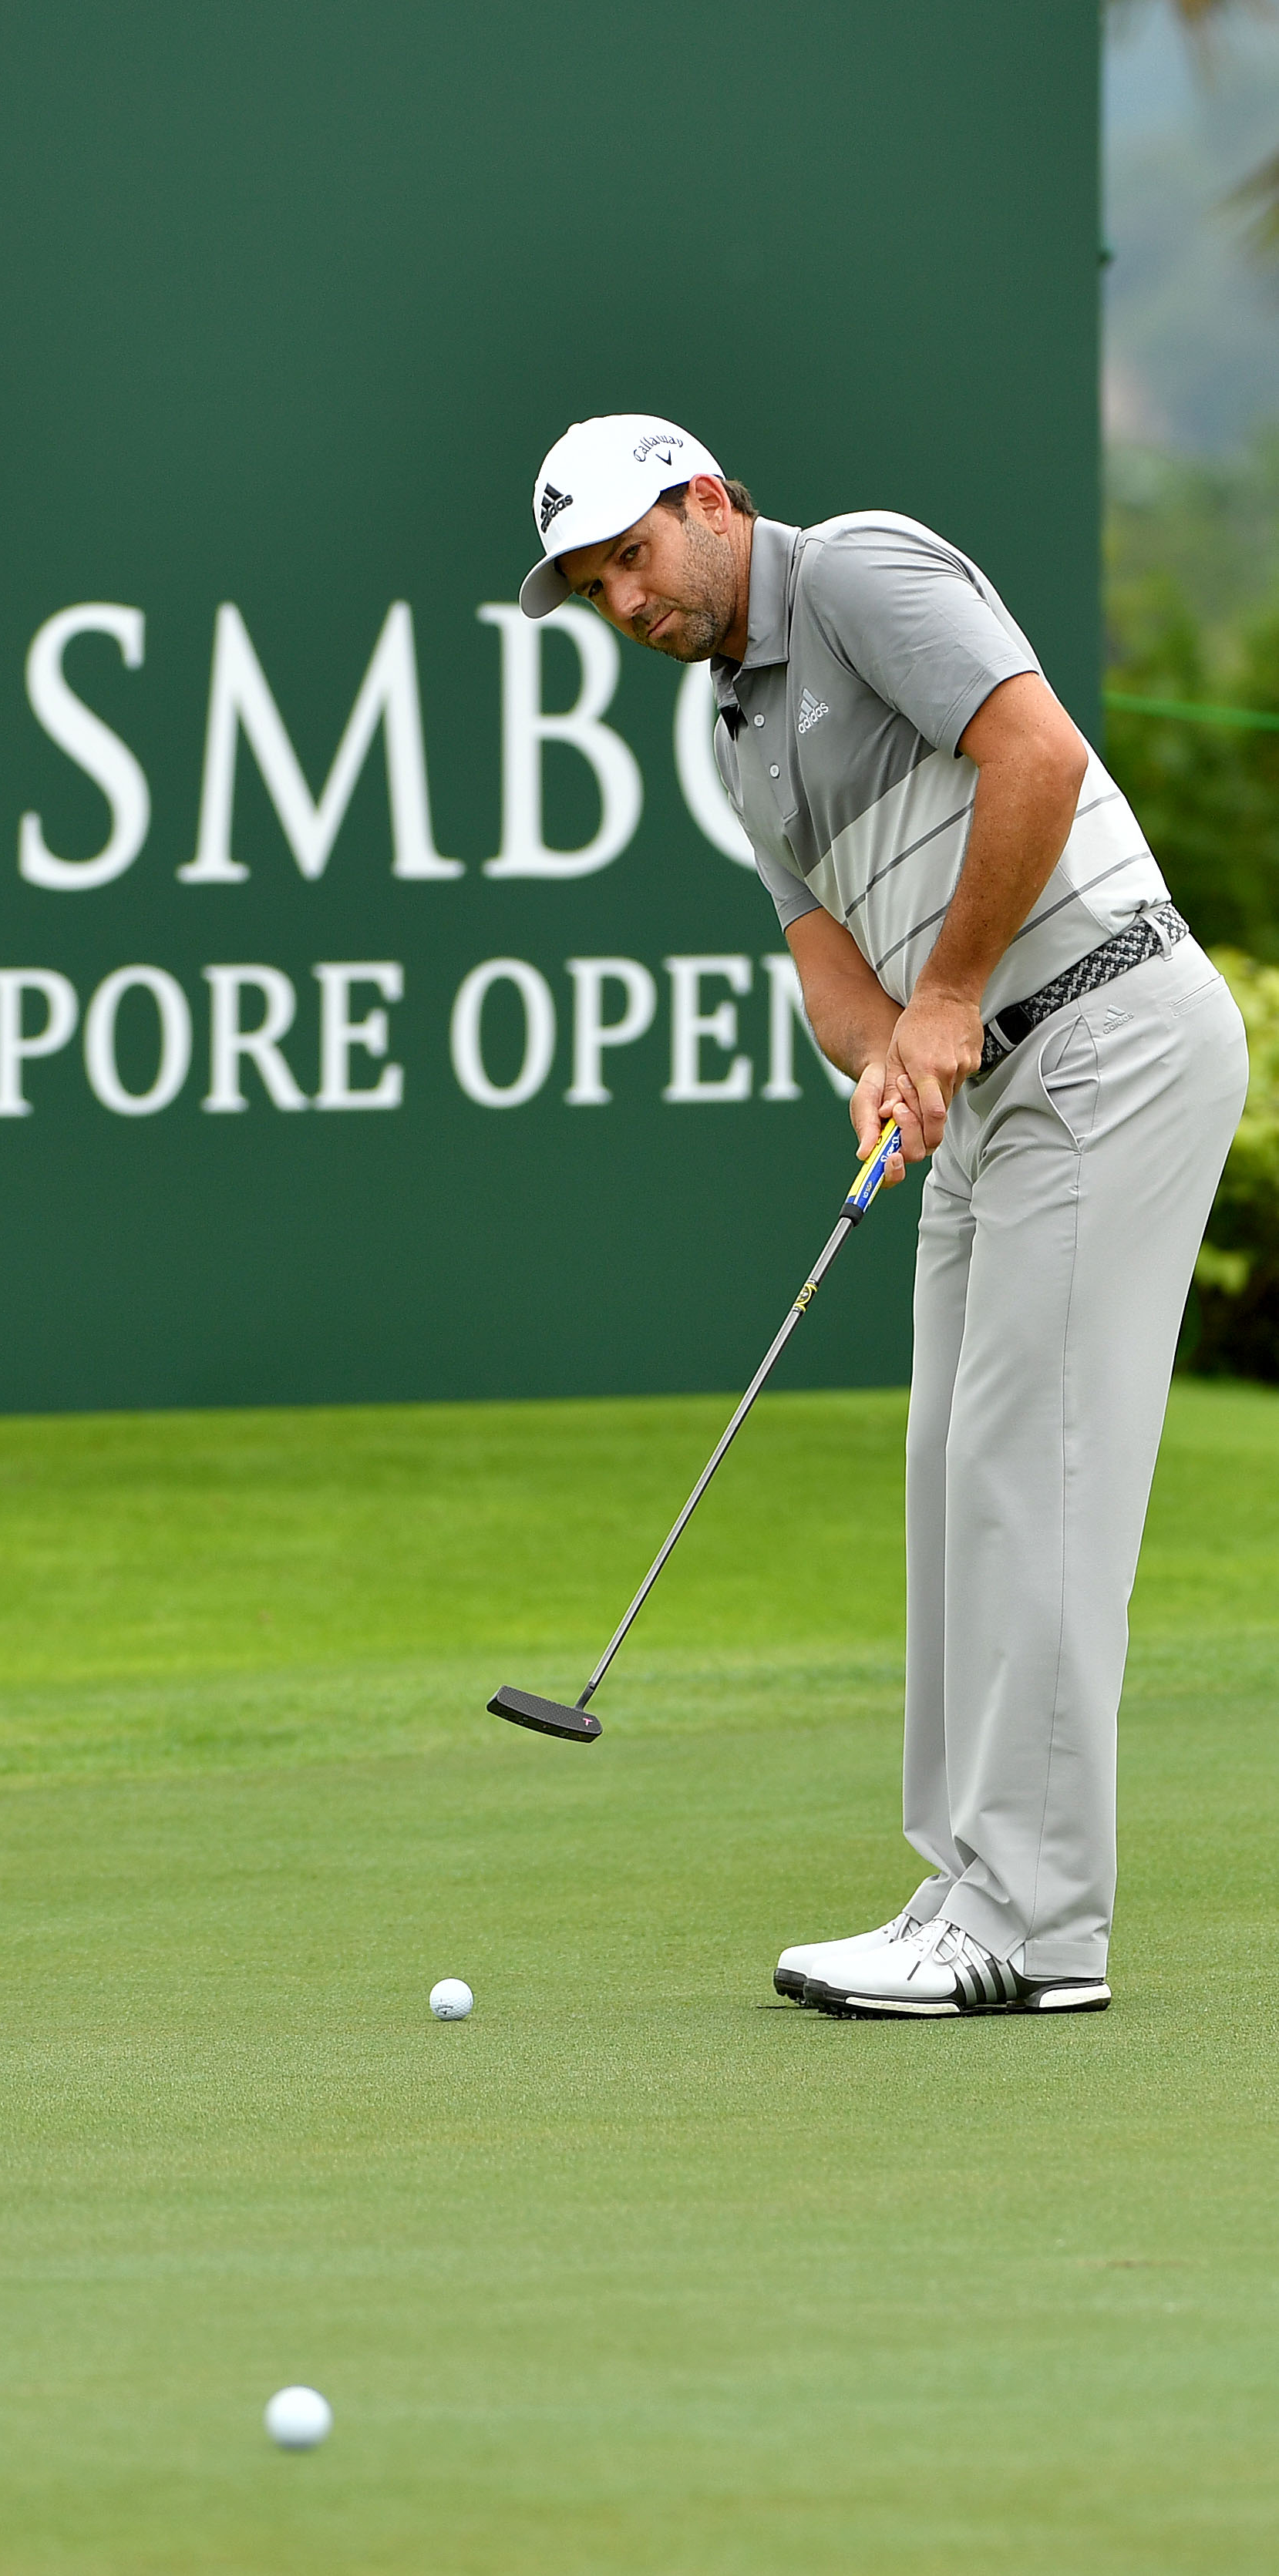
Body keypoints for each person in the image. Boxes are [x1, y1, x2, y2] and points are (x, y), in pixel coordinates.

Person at [519, 415, 1248, 2018]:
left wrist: (952, 993)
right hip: (995, 1085)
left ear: (708, 501)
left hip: (1107, 1034)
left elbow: (1036, 755)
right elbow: (834, 976)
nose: (625, 603)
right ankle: (970, 1884)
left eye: (633, 557)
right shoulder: (724, 734)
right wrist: (882, 1062)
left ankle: (1036, 1925)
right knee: (951, 1470)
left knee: (1029, 1466)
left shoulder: (855, 569)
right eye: (591, 589)